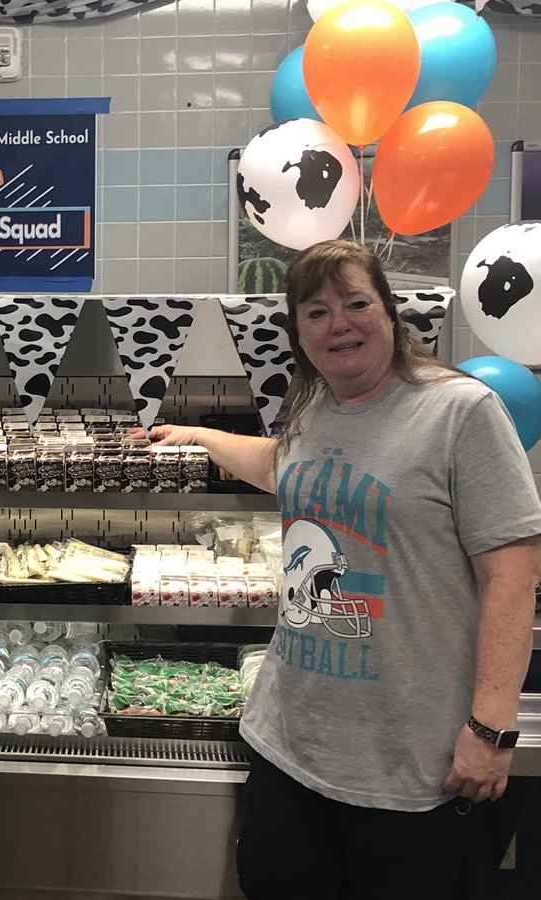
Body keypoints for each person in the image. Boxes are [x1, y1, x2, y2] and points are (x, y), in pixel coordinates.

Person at [138, 240, 541, 899]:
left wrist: (490, 729)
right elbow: (281, 466)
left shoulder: (459, 412)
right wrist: (200, 436)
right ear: (299, 332)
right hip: (286, 743)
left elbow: (513, 572)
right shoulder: (315, 404)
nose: (338, 324)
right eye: (316, 312)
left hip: (408, 765)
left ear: (389, 312)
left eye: (356, 303)